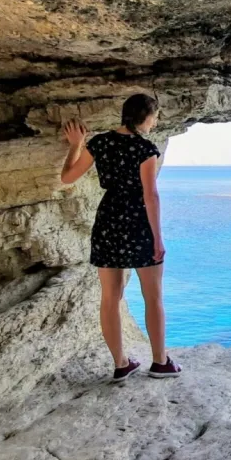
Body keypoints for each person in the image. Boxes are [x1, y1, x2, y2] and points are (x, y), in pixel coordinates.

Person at [59, 94, 181, 382]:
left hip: (108, 222)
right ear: (146, 118)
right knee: (153, 297)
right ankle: (160, 362)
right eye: (155, 116)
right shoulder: (145, 149)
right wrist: (157, 239)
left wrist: (75, 146)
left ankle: (121, 364)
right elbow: (150, 196)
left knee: (110, 298)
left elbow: (67, 177)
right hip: (138, 224)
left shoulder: (99, 143)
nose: (156, 121)